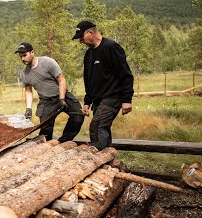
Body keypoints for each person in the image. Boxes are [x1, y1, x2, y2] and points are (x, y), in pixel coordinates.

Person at [72, 20, 134, 150]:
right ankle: (108, 161)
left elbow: (125, 74)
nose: (80, 41)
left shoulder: (111, 47)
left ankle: (98, 157)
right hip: (98, 100)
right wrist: (87, 102)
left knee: (97, 125)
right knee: (102, 128)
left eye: (81, 37)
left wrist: (127, 100)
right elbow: (88, 80)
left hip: (113, 97)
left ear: (90, 33)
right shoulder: (89, 54)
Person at [16, 42, 84, 142]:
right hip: (46, 101)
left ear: (32, 52)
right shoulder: (25, 73)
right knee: (46, 130)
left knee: (78, 116)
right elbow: (28, 91)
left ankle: (63, 142)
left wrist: (61, 99)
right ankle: (46, 148)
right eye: (20, 56)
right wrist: (28, 108)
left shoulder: (48, 62)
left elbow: (62, 80)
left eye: (25, 55)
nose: (22, 59)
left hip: (62, 95)